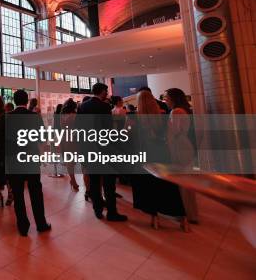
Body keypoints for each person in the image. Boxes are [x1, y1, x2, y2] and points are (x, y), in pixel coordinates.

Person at [131, 90, 188, 231]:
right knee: (169, 188)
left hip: (144, 157)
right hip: (162, 156)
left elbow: (131, 139)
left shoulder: (135, 118)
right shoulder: (163, 117)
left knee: (148, 187)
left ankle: (154, 218)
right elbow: (170, 137)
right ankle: (182, 219)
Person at [78, 82, 128, 222]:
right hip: (104, 148)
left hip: (89, 148)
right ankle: (112, 212)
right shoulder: (104, 106)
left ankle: (98, 209)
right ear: (101, 91)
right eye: (106, 91)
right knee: (108, 182)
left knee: (94, 181)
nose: (107, 93)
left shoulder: (83, 106)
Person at [6, 89, 51, 236]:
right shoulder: (34, 117)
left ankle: (23, 226)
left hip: (14, 160)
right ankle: (41, 224)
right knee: (35, 192)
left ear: (14, 100)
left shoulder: (7, 117)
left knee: (18, 194)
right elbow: (42, 138)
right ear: (26, 101)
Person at [164, 87, 198, 224]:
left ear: (173, 98)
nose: (165, 100)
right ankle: (191, 213)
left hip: (179, 147)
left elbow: (174, 132)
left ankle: (185, 213)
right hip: (185, 145)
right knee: (187, 182)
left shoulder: (176, 112)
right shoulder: (185, 110)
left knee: (182, 182)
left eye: (166, 97)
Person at [60, 98, 80, 191]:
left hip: (65, 138)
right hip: (73, 138)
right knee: (73, 160)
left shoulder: (62, 115)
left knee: (70, 161)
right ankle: (73, 181)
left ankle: (73, 180)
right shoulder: (74, 115)